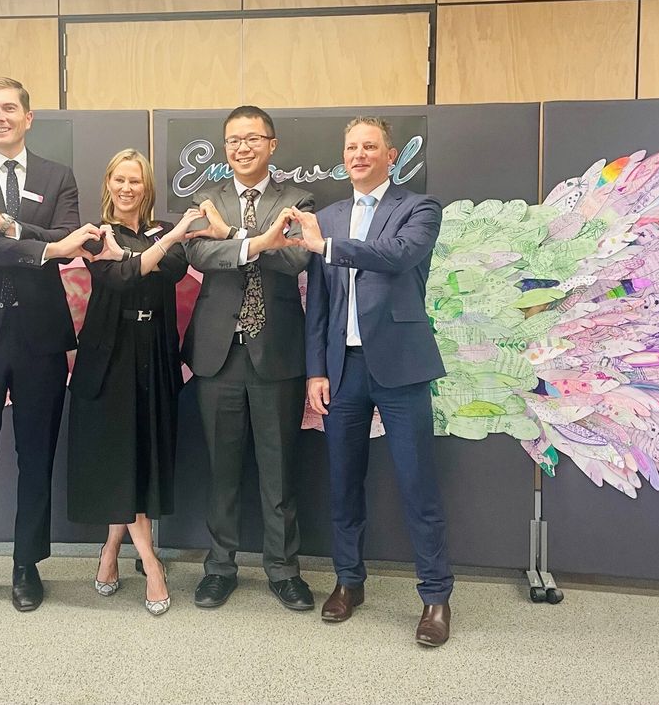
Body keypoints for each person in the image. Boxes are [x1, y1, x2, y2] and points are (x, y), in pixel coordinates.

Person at [0, 76, 102, 618]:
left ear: (28, 117)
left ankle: (27, 564)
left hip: (40, 335)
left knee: (36, 456)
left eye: (9, 108)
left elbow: (71, 242)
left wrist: (5, 223)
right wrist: (39, 242)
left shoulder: (58, 176)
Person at [288, 116, 454, 647]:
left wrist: (327, 247)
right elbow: (318, 304)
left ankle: (435, 597)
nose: (358, 155)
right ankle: (348, 582)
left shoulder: (419, 208)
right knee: (343, 483)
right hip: (343, 370)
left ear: (391, 155)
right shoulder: (329, 217)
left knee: (417, 485)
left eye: (369, 147)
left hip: (401, 367)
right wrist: (316, 369)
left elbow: (397, 256)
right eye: (351, 148)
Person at [181, 105, 316, 611]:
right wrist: (257, 241)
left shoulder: (297, 200)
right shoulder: (207, 199)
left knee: (279, 471)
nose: (242, 147)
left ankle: (283, 570)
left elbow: (296, 257)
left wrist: (231, 237)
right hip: (218, 354)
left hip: (275, 352)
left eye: (252, 138)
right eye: (234, 140)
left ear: (271, 144)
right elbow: (199, 255)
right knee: (222, 471)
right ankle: (219, 568)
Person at [66, 149, 209, 617]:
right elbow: (122, 278)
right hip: (109, 358)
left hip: (155, 355)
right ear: (108, 183)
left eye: (136, 181)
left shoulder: (164, 231)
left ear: (147, 187)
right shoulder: (94, 235)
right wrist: (151, 249)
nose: (127, 188)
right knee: (119, 458)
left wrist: (148, 250)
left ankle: (111, 547)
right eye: (120, 180)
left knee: (141, 457)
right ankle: (151, 564)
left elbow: (173, 268)